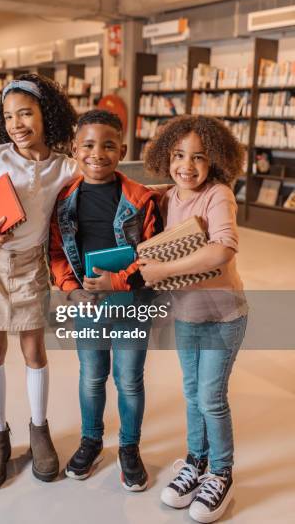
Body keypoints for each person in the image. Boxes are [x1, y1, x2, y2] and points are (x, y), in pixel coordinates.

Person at [0, 73, 78, 489]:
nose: (17, 123)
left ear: (47, 114)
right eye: (8, 116)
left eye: (26, 113)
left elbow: (100, 178)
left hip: (29, 268)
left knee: (34, 350)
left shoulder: (64, 166)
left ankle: (38, 429)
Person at [139, 115, 248, 523]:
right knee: (191, 393)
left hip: (223, 317)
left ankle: (221, 474)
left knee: (210, 398)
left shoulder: (218, 194)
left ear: (216, 160)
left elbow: (222, 249)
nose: (187, 165)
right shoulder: (169, 196)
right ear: (166, 155)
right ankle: (196, 462)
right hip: (186, 314)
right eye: (179, 155)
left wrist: (163, 271)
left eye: (199, 157)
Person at [49, 109, 163, 492]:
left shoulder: (141, 199)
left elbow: (152, 254)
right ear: (74, 149)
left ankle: (129, 447)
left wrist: (119, 281)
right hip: (88, 303)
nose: (98, 153)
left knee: (129, 379)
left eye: (109, 145)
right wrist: (71, 288)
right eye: (88, 145)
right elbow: (57, 252)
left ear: (123, 150)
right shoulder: (63, 200)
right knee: (91, 375)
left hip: (132, 303)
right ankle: (91, 439)